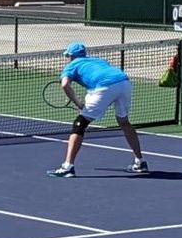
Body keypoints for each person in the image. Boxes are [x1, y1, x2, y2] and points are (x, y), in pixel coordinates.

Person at [48, 42, 149, 177]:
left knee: (80, 124)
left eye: (68, 56)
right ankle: (140, 162)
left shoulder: (71, 65)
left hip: (104, 86)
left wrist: (79, 103)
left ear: (71, 56)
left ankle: (68, 167)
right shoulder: (98, 60)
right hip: (124, 82)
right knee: (124, 122)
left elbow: (65, 84)